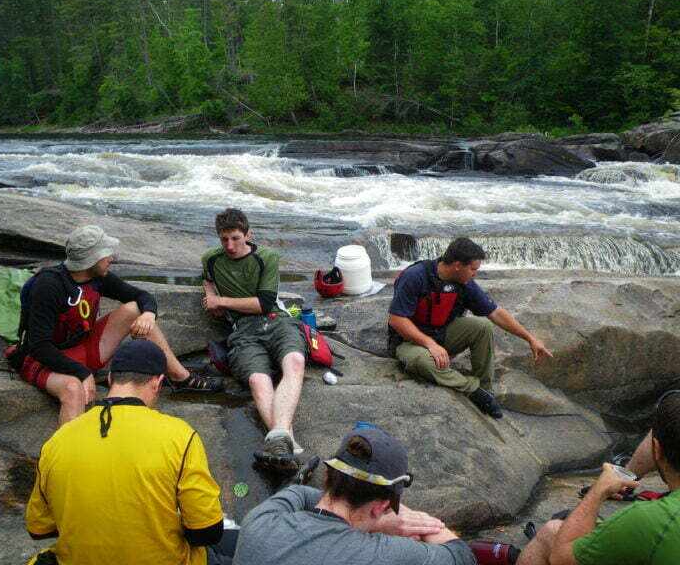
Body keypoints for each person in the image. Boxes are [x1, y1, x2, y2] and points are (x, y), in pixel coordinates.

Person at [25, 338, 236, 565]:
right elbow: (206, 531)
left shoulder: (58, 441)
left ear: (110, 379)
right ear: (157, 382)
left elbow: (39, 528)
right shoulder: (180, 437)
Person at [10, 225, 221, 425]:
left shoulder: (98, 276)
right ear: (90, 259)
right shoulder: (49, 286)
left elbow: (140, 296)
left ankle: (179, 377)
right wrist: (81, 373)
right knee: (73, 389)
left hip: (83, 350)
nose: (112, 258)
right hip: (46, 362)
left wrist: (148, 313)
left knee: (134, 309)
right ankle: (69, 457)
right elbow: (39, 347)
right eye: (106, 255)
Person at [232, 424, 476, 565]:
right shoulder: (380, 554)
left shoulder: (260, 521)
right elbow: (462, 556)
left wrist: (379, 517)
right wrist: (393, 519)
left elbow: (298, 492)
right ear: (380, 506)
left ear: (326, 476)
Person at [387, 237, 552, 419]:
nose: (475, 274)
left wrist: (530, 339)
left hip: (442, 334)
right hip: (409, 341)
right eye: (473, 269)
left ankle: (485, 390)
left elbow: (495, 313)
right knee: (422, 361)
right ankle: (473, 389)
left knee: (482, 325)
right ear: (458, 265)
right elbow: (397, 319)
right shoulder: (415, 276)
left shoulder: (464, 283)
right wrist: (429, 344)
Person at [516, 390, 680, 565]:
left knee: (552, 532)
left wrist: (598, 491)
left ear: (656, 448)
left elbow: (561, 558)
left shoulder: (649, 520)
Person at [201, 208, 306, 473]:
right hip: (242, 331)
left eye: (236, 238)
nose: (230, 245)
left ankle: (279, 442)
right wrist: (209, 292)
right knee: (258, 380)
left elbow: (263, 302)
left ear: (248, 234)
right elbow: (206, 278)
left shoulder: (266, 257)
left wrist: (220, 300)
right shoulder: (211, 259)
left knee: (294, 361)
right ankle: (286, 442)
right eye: (224, 239)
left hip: (276, 319)